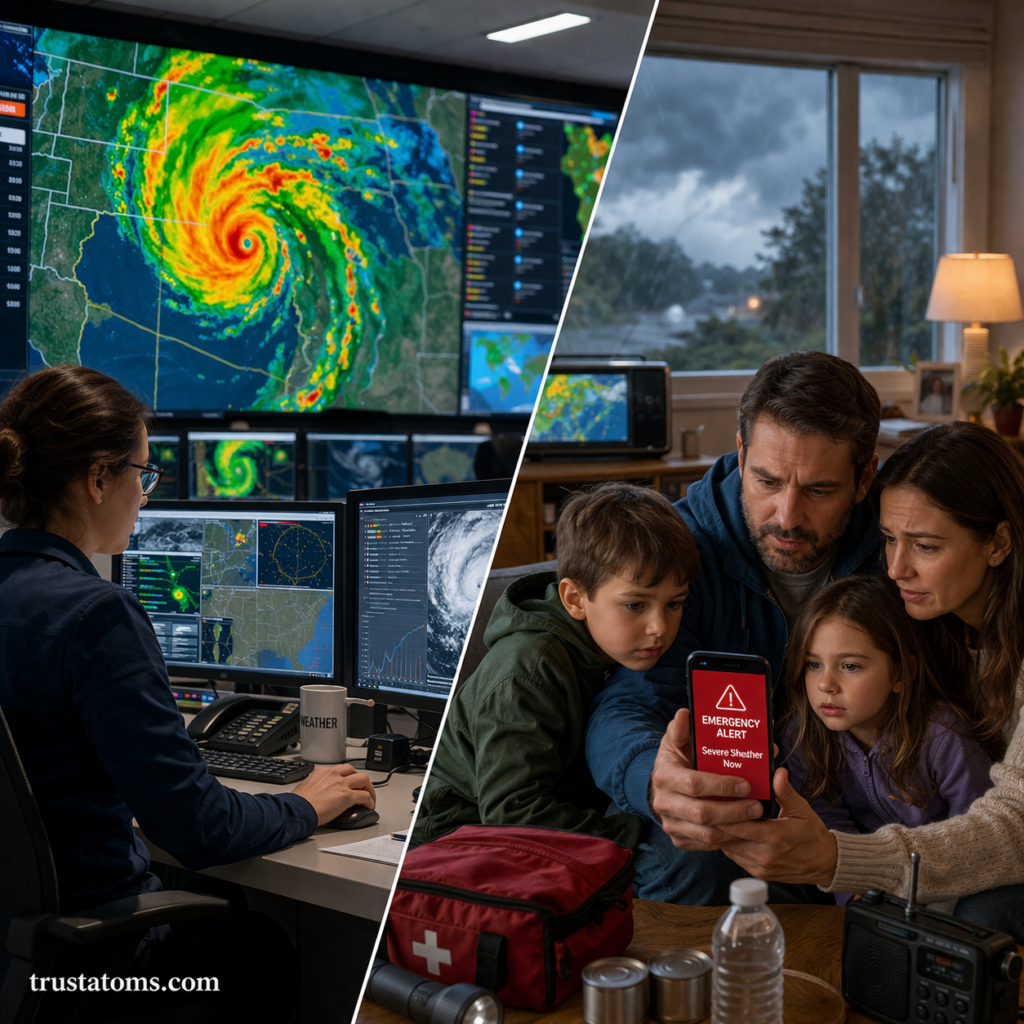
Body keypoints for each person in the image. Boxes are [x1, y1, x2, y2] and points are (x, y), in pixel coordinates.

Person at [0, 366, 376, 1019]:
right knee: (254, 947)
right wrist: (305, 804)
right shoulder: (96, 616)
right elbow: (197, 827)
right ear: (96, 479)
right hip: (98, 973)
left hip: (15, 959)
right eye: (142, 475)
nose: (145, 497)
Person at [585, 350, 882, 904]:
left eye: (819, 490)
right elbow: (627, 704)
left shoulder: (899, 547)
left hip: (861, 798)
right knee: (686, 856)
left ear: (864, 478)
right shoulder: (679, 550)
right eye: (767, 481)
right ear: (741, 453)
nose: (787, 516)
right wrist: (656, 780)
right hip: (725, 808)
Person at [708, 422, 1024, 942]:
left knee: (982, 919)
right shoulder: (926, 627)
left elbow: (1013, 827)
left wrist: (840, 857)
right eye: (888, 540)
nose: (897, 569)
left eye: (924, 546)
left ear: (998, 543)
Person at [411, 482, 700, 849]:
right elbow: (512, 814)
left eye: (674, 604)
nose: (660, 627)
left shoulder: (614, 650)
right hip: (457, 842)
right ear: (575, 599)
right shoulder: (528, 672)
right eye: (635, 605)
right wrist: (633, 835)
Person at [781, 575, 992, 903]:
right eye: (813, 664)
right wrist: (853, 894)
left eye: (850, 666)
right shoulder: (803, 732)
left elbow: (977, 831)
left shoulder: (943, 736)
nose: (825, 684)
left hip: (947, 887)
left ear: (900, 673)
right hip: (864, 884)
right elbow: (826, 820)